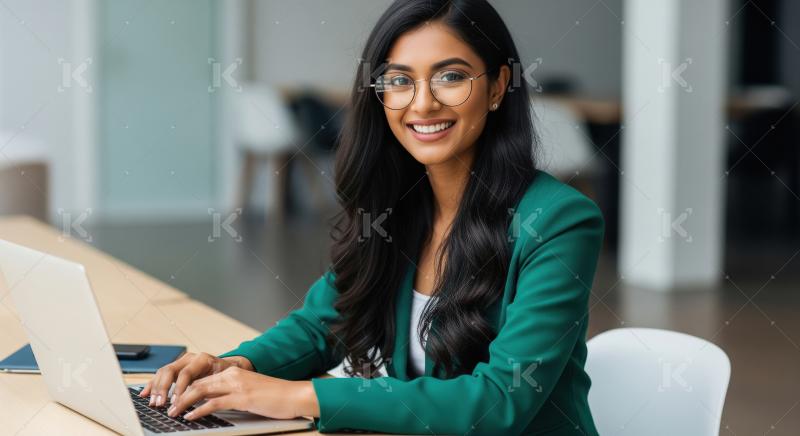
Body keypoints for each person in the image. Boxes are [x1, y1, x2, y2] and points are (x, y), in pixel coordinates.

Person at [141, 0, 604, 434]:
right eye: (400, 81)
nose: (422, 104)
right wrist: (236, 368)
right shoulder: (396, 203)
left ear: (499, 86)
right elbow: (323, 323)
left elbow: (499, 401)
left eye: (451, 77)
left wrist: (302, 397)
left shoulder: (560, 222)